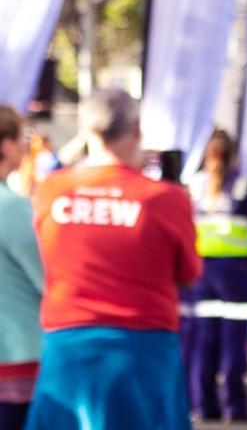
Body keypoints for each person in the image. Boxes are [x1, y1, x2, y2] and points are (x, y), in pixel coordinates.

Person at [27, 89, 202, 429]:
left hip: (68, 348)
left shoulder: (51, 190)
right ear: (136, 131)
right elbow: (190, 273)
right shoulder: (166, 199)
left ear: (85, 128)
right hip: (143, 351)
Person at [186, 127, 247, 421]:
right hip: (237, 271)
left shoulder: (194, 185)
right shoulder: (245, 185)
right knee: (234, 339)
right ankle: (235, 405)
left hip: (203, 270)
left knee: (204, 338)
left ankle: (203, 404)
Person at [0, 106, 40, 430]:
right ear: (7, 145)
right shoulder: (12, 209)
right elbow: (50, 280)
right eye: (22, 138)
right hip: (16, 360)